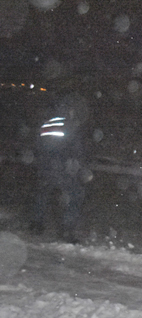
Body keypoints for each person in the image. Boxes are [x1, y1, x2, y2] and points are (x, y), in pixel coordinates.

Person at [30, 94, 88, 244]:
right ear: (69, 110)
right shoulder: (70, 126)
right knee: (75, 195)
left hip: (44, 167)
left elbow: (37, 146)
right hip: (62, 168)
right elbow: (77, 149)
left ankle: (36, 224)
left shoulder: (45, 125)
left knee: (42, 194)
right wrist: (78, 165)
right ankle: (67, 229)